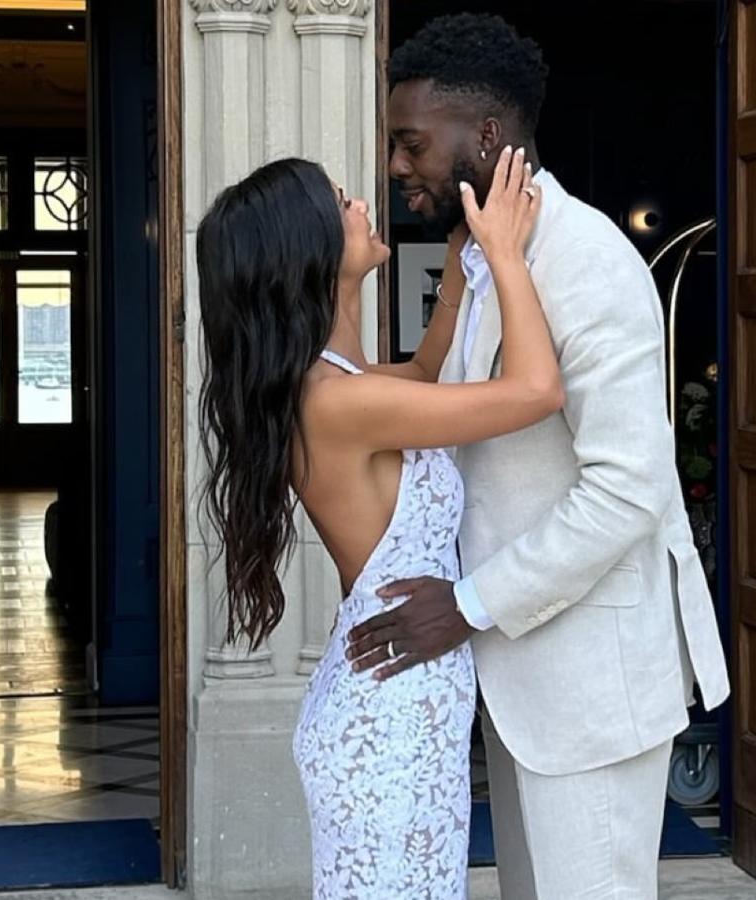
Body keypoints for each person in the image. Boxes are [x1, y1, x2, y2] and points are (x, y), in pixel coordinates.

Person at [343, 13, 731, 898]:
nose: (398, 166)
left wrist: (468, 605)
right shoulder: (489, 258)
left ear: (485, 135)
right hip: (525, 680)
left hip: (590, 679)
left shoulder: (585, 260)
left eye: (411, 143)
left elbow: (627, 488)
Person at [195, 148, 555, 898]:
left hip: (397, 706)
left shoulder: (344, 384)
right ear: (311, 248)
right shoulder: (336, 402)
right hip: (388, 723)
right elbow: (535, 390)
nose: (362, 204)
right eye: (340, 200)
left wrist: (459, 268)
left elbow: (425, 375)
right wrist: (506, 253)